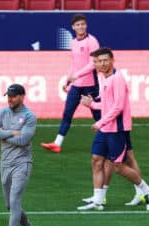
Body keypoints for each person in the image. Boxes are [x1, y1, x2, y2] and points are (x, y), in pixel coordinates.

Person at [77, 48, 149, 211]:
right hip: (106, 127)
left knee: (118, 166)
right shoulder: (102, 76)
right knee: (96, 159)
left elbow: (118, 107)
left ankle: (147, 191)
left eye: (105, 60)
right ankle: (98, 200)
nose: (102, 64)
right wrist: (91, 104)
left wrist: (100, 123)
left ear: (112, 60)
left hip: (116, 128)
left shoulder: (117, 78)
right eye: (98, 61)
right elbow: (107, 105)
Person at [40, 14, 100, 153]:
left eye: (83, 24)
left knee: (98, 115)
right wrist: (68, 79)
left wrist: (76, 75)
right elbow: (75, 63)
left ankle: (108, 141)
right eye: (78, 25)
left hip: (91, 84)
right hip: (77, 85)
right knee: (67, 114)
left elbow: (93, 64)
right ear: (73, 27)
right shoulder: (73, 42)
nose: (81, 27)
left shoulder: (92, 41)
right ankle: (57, 143)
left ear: (86, 25)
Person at [0, 84, 39, 226]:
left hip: (22, 163)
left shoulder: (30, 117)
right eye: (8, 96)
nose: (10, 99)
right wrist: (11, 133)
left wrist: (2, 135)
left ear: (22, 97)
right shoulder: (3, 112)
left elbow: (24, 139)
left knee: (15, 200)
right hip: (5, 163)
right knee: (10, 205)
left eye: (13, 96)